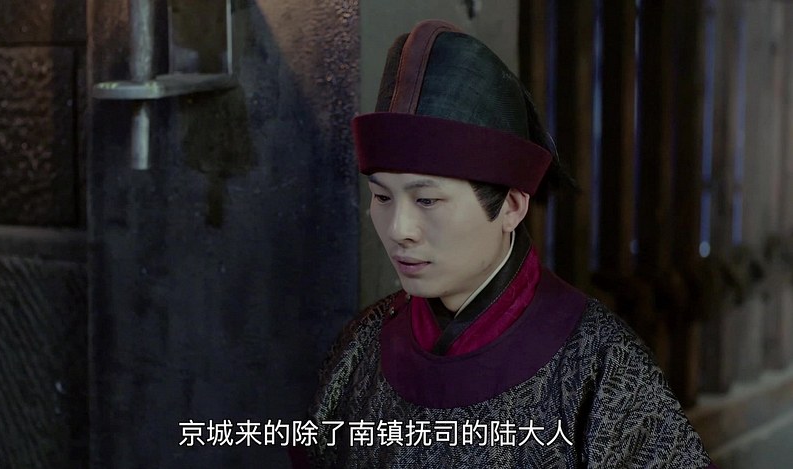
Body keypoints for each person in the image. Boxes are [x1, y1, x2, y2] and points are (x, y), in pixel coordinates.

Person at [300, 19, 714, 468]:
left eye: (427, 200)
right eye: (382, 197)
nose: (399, 228)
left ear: (512, 206)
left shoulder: (602, 365)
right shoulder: (361, 347)